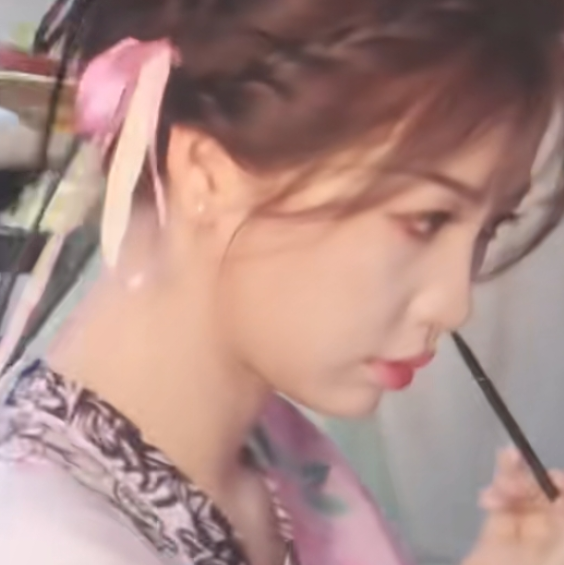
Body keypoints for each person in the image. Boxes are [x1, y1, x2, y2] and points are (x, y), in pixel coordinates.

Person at [1, 0, 564, 564]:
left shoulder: (271, 455)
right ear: (206, 173)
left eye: (488, 229)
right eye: (427, 221)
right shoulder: (43, 541)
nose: (454, 304)